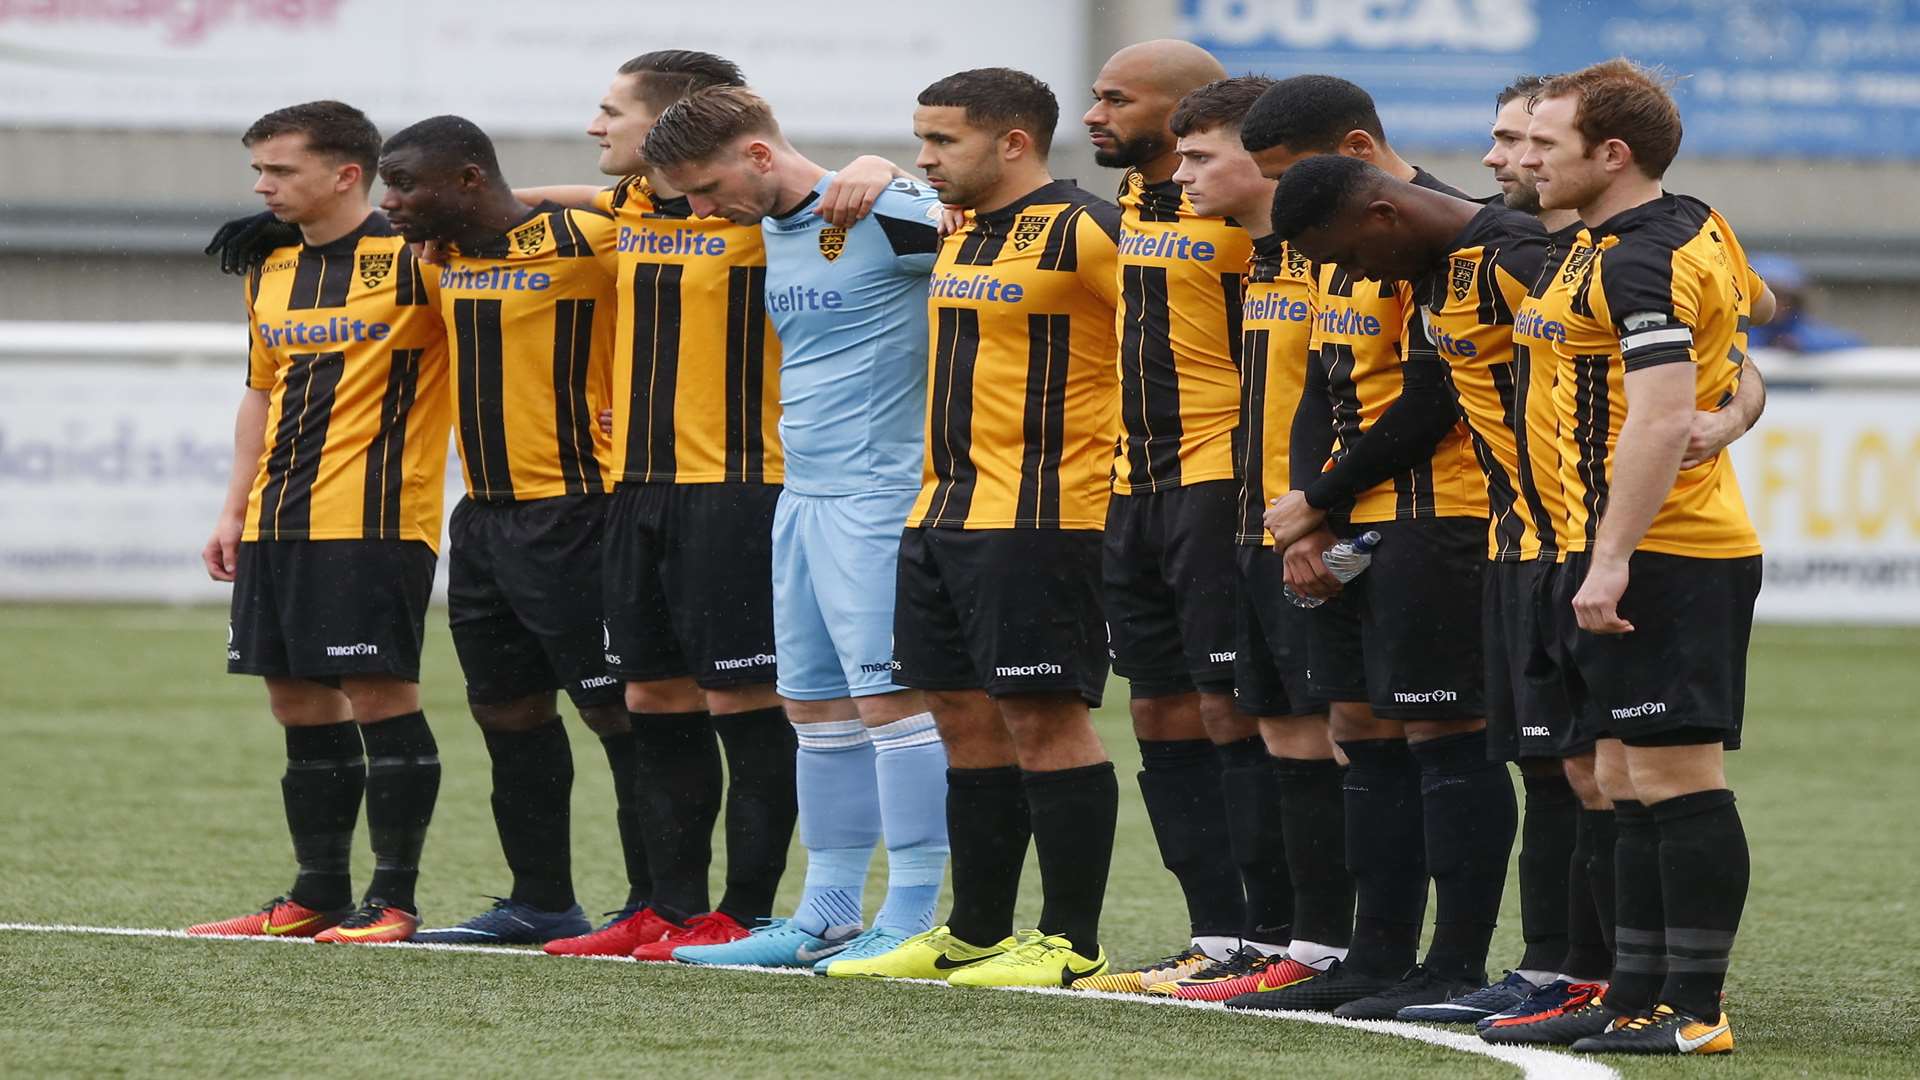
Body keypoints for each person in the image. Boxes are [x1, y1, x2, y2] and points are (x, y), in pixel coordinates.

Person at [643, 86, 951, 973]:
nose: (701, 212)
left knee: (891, 704)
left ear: (760, 156)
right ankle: (823, 912)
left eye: (705, 189)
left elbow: (998, 228)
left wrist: (887, 168)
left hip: (880, 496)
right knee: (812, 708)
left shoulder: (884, 208)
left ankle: (914, 913)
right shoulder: (776, 223)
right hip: (803, 495)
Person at [828, 67, 1124, 987]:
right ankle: (977, 932)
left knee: (1044, 720)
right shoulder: (952, 228)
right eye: (918, 139)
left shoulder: (1090, 228)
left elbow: (1176, 347)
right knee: (960, 720)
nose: (925, 159)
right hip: (939, 515)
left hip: (1044, 516)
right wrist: (879, 166)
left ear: (1013, 144)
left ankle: (1073, 944)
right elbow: (781, 188)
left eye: (943, 141)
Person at [1230, 74, 1512, 1019]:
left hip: (1438, 517)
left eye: (1287, 174)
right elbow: (1321, 383)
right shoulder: (1322, 236)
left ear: (1355, 156)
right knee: (1359, 732)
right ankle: (1376, 955)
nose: (1277, 199)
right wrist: (1311, 513)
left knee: (1444, 733)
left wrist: (1322, 499)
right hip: (1349, 520)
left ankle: (1456, 962)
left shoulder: (1438, 236)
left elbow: (1433, 399)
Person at [1505, 59, 1765, 1056]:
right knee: (1614, 773)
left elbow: (1660, 415)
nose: (1523, 157)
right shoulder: (1642, 233)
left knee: (1674, 775)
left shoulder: (1641, 256)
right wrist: (1733, 409)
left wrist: (1611, 558)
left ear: (1611, 155)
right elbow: (1748, 332)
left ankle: (1694, 1009)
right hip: (1592, 544)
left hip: (1661, 552)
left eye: (1543, 143)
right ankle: (1636, 996)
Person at [188, 101, 450, 945]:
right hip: (277, 520)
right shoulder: (270, 269)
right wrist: (235, 509)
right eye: (257, 171)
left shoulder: (420, 259)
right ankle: (317, 895)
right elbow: (262, 391)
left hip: (375, 518)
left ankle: (395, 901)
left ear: (346, 174)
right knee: (297, 701)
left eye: (281, 170)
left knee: (380, 699)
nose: (263, 186)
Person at [375, 115, 625, 946]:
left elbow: (689, 216)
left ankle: (662, 905)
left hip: (582, 508)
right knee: (506, 712)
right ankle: (540, 902)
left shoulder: (588, 238)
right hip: (483, 517)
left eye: (407, 185)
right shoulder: (440, 258)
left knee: (619, 712)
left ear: (470, 179)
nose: (392, 201)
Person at [1150, 75, 1354, 1004]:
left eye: (1200, 155)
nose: (1181, 173)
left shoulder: (1371, 242)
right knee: (1276, 731)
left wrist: (1328, 512)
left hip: (1337, 531)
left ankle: (1365, 950)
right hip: (1248, 525)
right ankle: (1285, 942)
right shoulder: (1264, 254)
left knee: (1373, 736)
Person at [1073, 39, 1261, 995]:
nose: (1095, 113)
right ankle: (1216, 932)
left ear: (1188, 110)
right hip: (1131, 487)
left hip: (1220, 482)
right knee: (1157, 708)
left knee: (1234, 707)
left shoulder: (1247, 214)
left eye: (1117, 98)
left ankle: (1279, 934)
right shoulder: (1129, 208)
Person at [1745, 254, 1862, 353]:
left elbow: (1852, 343)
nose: (1776, 303)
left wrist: (1801, 344)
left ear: (1795, 300)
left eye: (1783, 297)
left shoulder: (1799, 328)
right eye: (1770, 295)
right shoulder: (1741, 328)